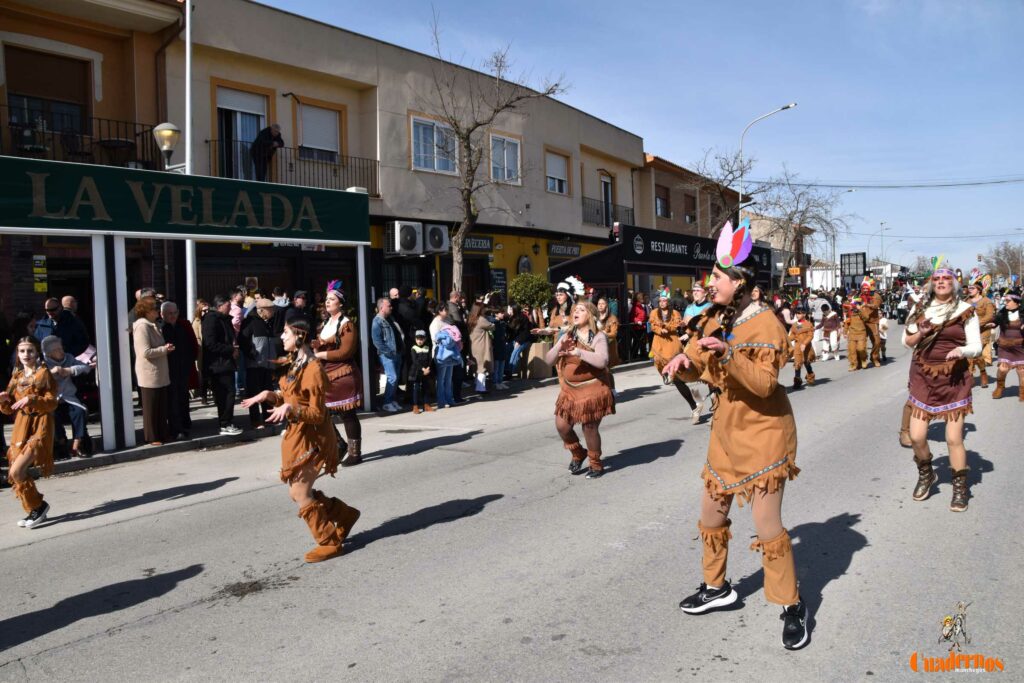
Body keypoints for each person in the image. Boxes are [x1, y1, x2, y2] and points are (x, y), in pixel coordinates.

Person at [663, 219, 807, 650]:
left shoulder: (766, 325)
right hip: (726, 433)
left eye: (719, 277)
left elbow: (764, 385)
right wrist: (680, 365)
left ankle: (791, 604)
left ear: (744, 284)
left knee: (768, 527)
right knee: (710, 516)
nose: (711, 283)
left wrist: (728, 354)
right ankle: (718, 588)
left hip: (763, 434)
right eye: (712, 276)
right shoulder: (714, 318)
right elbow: (695, 360)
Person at [241, 318, 360, 563]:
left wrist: (290, 410)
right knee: (296, 493)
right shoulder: (293, 363)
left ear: (299, 336)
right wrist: (269, 396)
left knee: (300, 493)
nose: (282, 337)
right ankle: (345, 515)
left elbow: (317, 413)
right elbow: (289, 398)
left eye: (285, 333)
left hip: (315, 437)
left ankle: (328, 542)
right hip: (298, 436)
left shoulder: (314, 369)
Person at [902, 262, 981, 512]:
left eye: (946, 279)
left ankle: (960, 486)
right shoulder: (921, 308)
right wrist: (920, 334)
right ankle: (927, 473)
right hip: (923, 376)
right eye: (936, 279)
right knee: (916, 436)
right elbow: (907, 342)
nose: (941, 282)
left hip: (953, 379)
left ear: (954, 283)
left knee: (953, 437)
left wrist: (962, 350)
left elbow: (977, 346)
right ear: (931, 284)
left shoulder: (966, 310)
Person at [545, 297, 615, 479]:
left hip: (593, 389)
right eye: (575, 309)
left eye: (581, 310)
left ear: (590, 315)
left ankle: (595, 464)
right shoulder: (568, 335)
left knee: (589, 427)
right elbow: (548, 360)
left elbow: (602, 361)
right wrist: (560, 348)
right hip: (569, 390)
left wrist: (578, 352)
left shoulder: (598, 336)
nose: (576, 312)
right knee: (562, 426)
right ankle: (578, 453)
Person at [2, 337, 58, 528]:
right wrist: (3, 400)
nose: (26, 355)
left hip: (40, 425)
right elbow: (9, 408)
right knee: (15, 473)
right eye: (22, 351)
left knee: (17, 471)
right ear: (17, 354)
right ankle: (36, 508)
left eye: (30, 351)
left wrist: (32, 399)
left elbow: (52, 403)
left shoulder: (44, 374)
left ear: (37, 353)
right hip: (21, 426)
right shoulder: (17, 376)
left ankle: (38, 508)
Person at [312, 280, 364, 466]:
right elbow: (324, 343)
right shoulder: (327, 321)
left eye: (331, 299)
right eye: (326, 299)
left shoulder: (347, 324)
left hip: (343, 374)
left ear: (340, 303)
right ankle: (338, 444)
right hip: (326, 374)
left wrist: (320, 353)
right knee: (319, 412)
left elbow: (346, 352)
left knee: (347, 414)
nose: (327, 302)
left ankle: (354, 453)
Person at [650, 287, 701, 424]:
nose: (662, 303)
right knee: (662, 365)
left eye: (664, 300)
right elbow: (653, 325)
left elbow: (677, 325)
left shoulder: (676, 313)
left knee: (679, 373)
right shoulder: (654, 312)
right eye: (660, 301)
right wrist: (660, 329)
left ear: (668, 302)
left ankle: (696, 398)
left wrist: (668, 327)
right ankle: (670, 377)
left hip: (672, 342)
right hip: (659, 342)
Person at [41, 336, 94, 458]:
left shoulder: (68, 358)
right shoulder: (43, 363)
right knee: (51, 415)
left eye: (61, 348)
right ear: (49, 353)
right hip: (53, 399)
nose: (61, 351)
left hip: (69, 398)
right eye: (57, 350)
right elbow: (38, 379)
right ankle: (61, 442)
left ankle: (77, 443)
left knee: (79, 412)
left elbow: (86, 367)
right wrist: (51, 373)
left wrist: (69, 370)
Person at [132, 296, 171, 445]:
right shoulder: (142, 327)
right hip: (149, 373)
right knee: (151, 407)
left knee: (161, 405)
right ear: (147, 311)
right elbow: (145, 352)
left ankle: (163, 433)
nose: (158, 311)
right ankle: (152, 436)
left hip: (159, 371)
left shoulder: (153, 325)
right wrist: (164, 349)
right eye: (155, 308)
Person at [202, 295, 242, 436]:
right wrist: (231, 349)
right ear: (219, 306)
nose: (230, 309)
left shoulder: (224, 319)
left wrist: (234, 347)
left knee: (229, 394)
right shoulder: (211, 319)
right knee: (225, 395)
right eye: (227, 306)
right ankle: (225, 424)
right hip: (218, 364)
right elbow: (210, 344)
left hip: (227, 362)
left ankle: (227, 422)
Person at [159, 302, 198, 441]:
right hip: (169, 371)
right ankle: (176, 429)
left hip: (183, 369)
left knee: (183, 399)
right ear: (162, 314)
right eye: (170, 313)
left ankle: (185, 424)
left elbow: (191, 347)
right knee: (173, 401)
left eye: (175, 312)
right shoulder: (161, 329)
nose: (173, 316)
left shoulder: (182, 327)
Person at [238, 299, 279, 429]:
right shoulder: (250, 321)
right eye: (270, 309)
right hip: (254, 365)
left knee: (267, 392)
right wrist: (253, 354)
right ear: (261, 310)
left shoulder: (268, 323)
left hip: (267, 364)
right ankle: (255, 421)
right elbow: (242, 341)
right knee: (254, 393)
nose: (273, 312)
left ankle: (269, 418)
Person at [965, 273, 996, 389]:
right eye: (969, 288)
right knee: (969, 355)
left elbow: (989, 316)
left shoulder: (986, 301)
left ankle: (982, 374)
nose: (969, 290)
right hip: (969, 332)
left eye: (972, 288)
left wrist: (977, 323)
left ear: (978, 290)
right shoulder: (966, 301)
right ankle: (971, 376)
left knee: (976, 354)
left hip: (982, 331)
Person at [371, 297, 402, 412]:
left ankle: (392, 400)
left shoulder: (390, 318)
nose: (391, 307)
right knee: (392, 377)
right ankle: (387, 402)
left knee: (395, 377)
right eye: (388, 305)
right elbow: (377, 341)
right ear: (381, 307)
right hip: (387, 354)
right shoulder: (377, 321)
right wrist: (388, 352)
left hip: (396, 353)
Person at [992, 291, 1023, 399]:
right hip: (1004, 346)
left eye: (1008, 301)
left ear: (1017, 303)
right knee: (1002, 369)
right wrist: (991, 324)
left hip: (1020, 347)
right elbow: (994, 321)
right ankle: (1000, 388)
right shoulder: (1002, 313)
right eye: (1005, 301)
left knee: (1022, 371)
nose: (1006, 303)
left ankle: (1022, 392)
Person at [433, 320, 463, 409]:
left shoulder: (442, 331)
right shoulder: (454, 332)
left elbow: (437, 340)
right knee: (447, 380)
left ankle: (443, 401)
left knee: (441, 380)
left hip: (442, 357)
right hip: (451, 356)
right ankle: (448, 399)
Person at [468, 303, 494, 393]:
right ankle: (480, 388)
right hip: (481, 346)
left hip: (473, 345)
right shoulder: (481, 319)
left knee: (477, 366)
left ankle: (477, 384)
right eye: (483, 309)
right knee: (482, 367)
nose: (484, 310)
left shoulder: (471, 319)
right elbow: (492, 326)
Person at [789, 305, 816, 389]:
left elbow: (810, 336)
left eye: (799, 314)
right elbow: (792, 335)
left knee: (807, 362)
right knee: (797, 363)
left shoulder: (808, 324)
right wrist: (786, 340)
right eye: (796, 313)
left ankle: (810, 376)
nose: (797, 315)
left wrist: (804, 343)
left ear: (804, 314)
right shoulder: (794, 325)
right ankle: (797, 381)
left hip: (806, 347)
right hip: (797, 347)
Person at [408, 330, 435, 413]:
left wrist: (428, 368)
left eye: (421, 339)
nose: (419, 341)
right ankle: (415, 406)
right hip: (416, 371)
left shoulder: (427, 347)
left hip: (426, 371)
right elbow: (415, 361)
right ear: (415, 339)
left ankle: (426, 405)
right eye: (418, 339)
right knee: (416, 388)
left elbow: (430, 359)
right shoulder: (414, 348)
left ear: (425, 339)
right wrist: (423, 369)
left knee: (426, 388)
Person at [860, 277, 884, 367]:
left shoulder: (876, 296)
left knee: (877, 341)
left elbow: (876, 305)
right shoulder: (858, 296)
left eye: (866, 288)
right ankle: (862, 359)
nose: (865, 290)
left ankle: (874, 357)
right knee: (861, 343)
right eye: (863, 288)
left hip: (873, 321)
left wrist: (867, 304)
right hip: (861, 322)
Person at [843, 296, 869, 371]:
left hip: (861, 333)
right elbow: (847, 323)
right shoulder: (850, 313)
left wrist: (860, 309)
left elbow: (866, 318)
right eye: (855, 304)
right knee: (852, 350)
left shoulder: (863, 310)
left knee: (861, 349)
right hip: (852, 334)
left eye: (858, 303)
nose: (856, 305)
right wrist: (845, 332)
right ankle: (853, 364)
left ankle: (863, 360)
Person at [192, 299, 209, 404]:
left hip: (210, 350)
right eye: (204, 311)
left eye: (207, 310)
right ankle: (203, 396)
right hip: (202, 351)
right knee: (203, 375)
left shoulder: (210, 320)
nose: (206, 312)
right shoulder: (197, 322)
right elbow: (196, 337)